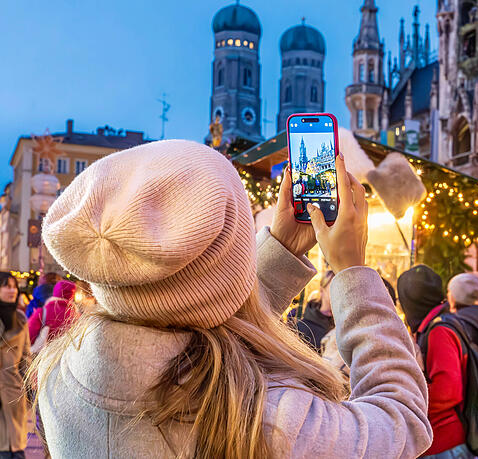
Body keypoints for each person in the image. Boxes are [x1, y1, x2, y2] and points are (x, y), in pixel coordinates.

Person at [33, 140, 431, 458]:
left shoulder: (59, 378)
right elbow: (401, 422)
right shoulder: (268, 421)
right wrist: (352, 272)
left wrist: (282, 250)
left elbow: (190, 305)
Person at [398, 265, 471, 459]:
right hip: (438, 444)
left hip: (444, 445)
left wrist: (406, 399)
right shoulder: (433, 326)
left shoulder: (438, 332)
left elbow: (448, 391)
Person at [0, 272, 31, 459]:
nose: (12, 290)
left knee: (16, 452)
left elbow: (25, 357)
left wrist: (26, 391)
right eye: (6, 285)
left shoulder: (20, 318)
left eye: (14, 286)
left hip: (13, 392)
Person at [292, 270, 336, 353]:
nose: (338, 293)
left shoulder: (344, 325)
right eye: (334, 288)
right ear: (322, 291)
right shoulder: (302, 328)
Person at [28, 280, 77, 346]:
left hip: (46, 354)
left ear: (55, 292)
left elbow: (29, 335)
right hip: (69, 354)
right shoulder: (76, 315)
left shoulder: (43, 311)